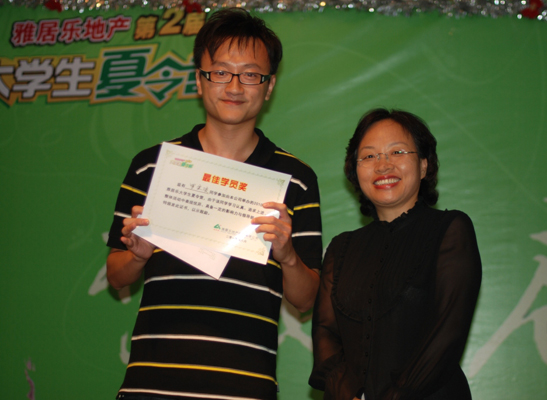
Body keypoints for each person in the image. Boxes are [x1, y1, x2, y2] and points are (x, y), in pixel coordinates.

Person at [106, 8, 322, 400]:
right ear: (199, 80)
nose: (234, 86)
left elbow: (306, 300)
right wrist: (137, 256)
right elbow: (116, 276)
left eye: (250, 74)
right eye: (220, 72)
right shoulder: (153, 166)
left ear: (269, 86)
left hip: (245, 387)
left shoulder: (296, 179)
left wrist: (288, 255)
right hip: (151, 385)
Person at [309, 109, 482, 400]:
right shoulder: (342, 248)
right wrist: (347, 392)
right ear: (355, 172)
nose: (383, 165)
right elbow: (325, 331)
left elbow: (447, 332)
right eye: (369, 156)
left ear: (424, 165)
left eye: (397, 152)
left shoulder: (450, 229)